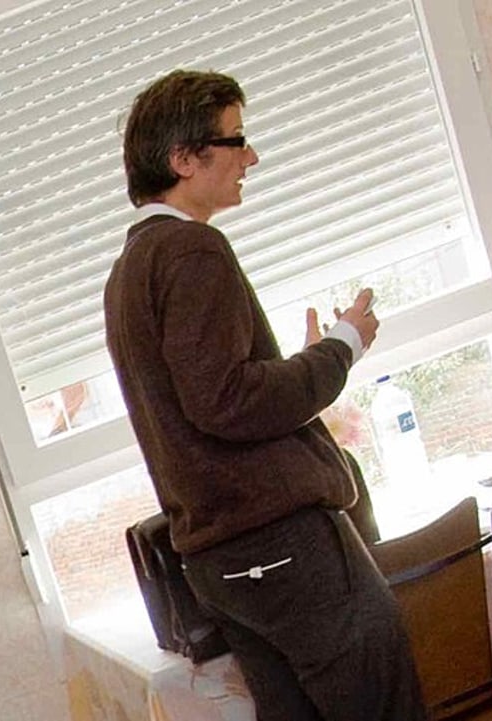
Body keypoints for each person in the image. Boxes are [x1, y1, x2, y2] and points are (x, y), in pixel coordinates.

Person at [103, 70, 425, 721]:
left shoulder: (128, 270)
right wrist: (340, 349)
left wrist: (300, 366)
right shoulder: (193, 250)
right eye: (236, 140)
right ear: (184, 159)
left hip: (223, 561)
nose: (252, 157)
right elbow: (225, 401)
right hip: (280, 545)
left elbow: (208, 395)